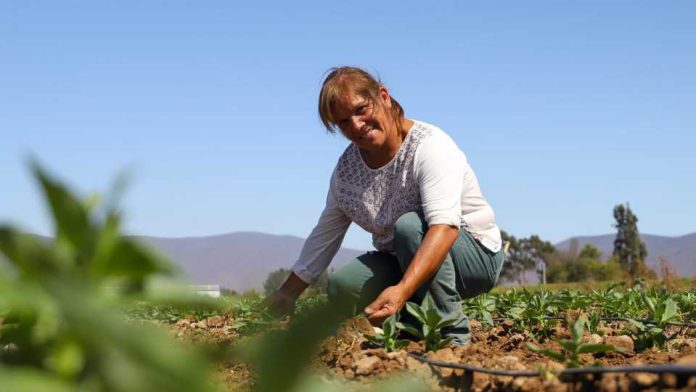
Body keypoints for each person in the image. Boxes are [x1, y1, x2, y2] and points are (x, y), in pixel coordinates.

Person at [266, 66, 504, 344]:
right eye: (343, 122)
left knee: (409, 226)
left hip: (473, 255)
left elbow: (446, 227)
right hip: (406, 256)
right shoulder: (347, 171)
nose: (355, 125)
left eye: (361, 109)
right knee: (345, 285)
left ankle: (451, 336)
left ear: (383, 96)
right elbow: (325, 234)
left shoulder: (430, 147)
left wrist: (402, 290)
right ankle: (408, 327)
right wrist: (286, 293)